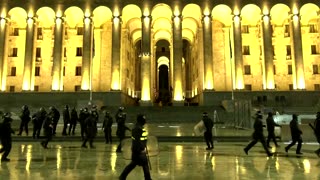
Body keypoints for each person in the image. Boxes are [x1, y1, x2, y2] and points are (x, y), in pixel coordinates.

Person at [119, 114, 152, 180]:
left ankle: (122, 176)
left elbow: (142, 139)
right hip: (138, 150)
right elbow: (137, 141)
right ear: (141, 120)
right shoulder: (137, 129)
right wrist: (140, 149)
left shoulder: (139, 127)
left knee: (137, 164)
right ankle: (122, 176)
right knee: (136, 164)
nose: (145, 121)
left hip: (140, 149)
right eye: (144, 120)